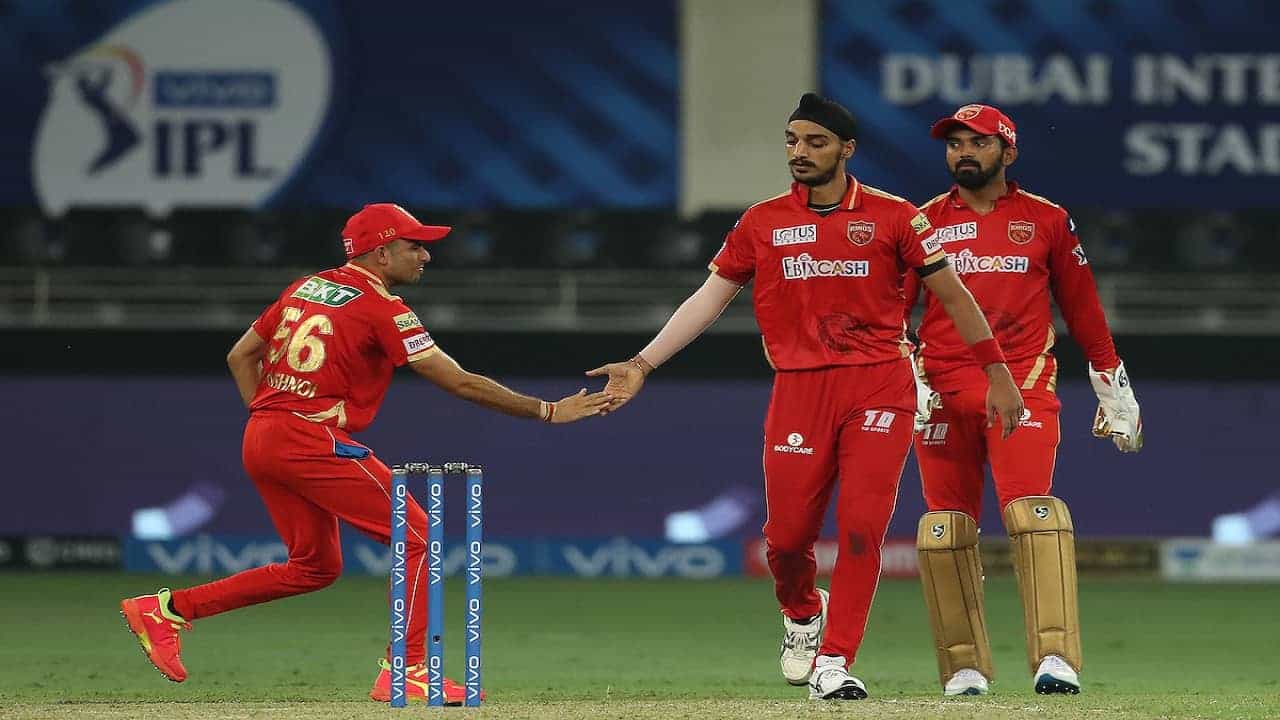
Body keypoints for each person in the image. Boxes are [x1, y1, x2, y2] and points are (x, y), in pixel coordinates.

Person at [589, 93, 1024, 701]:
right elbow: (709, 298)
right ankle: (801, 611)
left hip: (880, 384)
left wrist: (998, 374)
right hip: (799, 389)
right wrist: (642, 364)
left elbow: (954, 296)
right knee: (787, 539)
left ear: (846, 149)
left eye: (815, 142)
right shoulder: (762, 222)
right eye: (793, 140)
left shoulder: (896, 216)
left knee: (861, 528)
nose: (800, 152)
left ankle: (835, 661)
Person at [119, 203, 611, 704]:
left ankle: (167, 610)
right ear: (381, 253)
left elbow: (240, 355)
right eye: (415, 246)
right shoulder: (384, 308)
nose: (426, 256)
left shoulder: (306, 287)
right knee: (420, 536)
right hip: (309, 438)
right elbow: (460, 382)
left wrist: (273, 421)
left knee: (314, 567)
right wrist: (547, 410)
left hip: (263, 435)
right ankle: (408, 669)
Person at [906, 104, 1144, 697]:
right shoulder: (921, 222)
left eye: (978, 143)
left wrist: (1111, 380)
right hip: (941, 387)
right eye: (954, 143)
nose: (963, 152)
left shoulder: (1047, 219)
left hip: (1023, 383)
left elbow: (1083, 306)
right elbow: (890, 308)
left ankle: (1055, 659)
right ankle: (964, 667)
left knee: (1034, 515)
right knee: (945, 529)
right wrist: (901, 371)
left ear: (1008, 153)